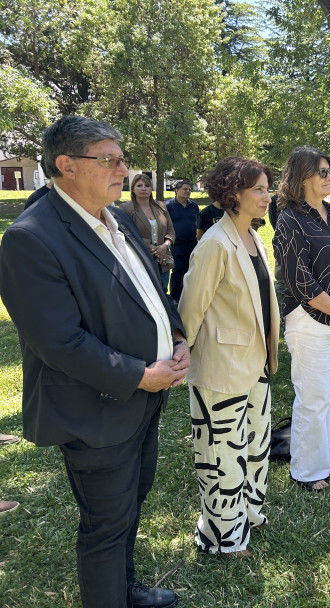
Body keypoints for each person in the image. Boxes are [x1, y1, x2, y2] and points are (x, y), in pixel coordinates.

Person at [0, 116, 188, 608]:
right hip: (97, 410)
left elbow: (150, 286)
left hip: (144, 399)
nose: (123, 170)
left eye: (122, 160)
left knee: (129, 507)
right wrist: (140, 375)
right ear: (66, 166)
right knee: (105, 525)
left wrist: (176, 333)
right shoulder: (31, 238)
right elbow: (59, 342)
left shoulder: (114, 216)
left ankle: (125, 590)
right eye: (109, 160)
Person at [178, 157, 280, 558]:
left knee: (255, 446)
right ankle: (222, 537)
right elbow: (190, 310)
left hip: (257, 364)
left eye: (268, 188)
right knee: (222, 456)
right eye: (259, 189)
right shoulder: (214, 244)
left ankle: (248, 514)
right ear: (233, 193)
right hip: (220, 368)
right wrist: (181, 357)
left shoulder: (254, 238)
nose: (267, 196)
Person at [272, 146, 330, 491]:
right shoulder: (289, 220)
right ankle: (306, 471)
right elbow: (301, 281)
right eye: (322, 172)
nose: (329, 177)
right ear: (302, 177)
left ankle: (324, 460)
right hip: (310, 318)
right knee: (313, 396)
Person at [119, 173, 175, 292]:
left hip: (163, 259)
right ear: (133, 189)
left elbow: (171, 231)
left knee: (163, 293)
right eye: (139, 186)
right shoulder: (126, 208)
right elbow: (126, 234)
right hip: (141, 259)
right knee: (146, 293)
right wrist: (151, 248)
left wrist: (165, 246)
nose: (143, 188)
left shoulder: (161, 206)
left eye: (147, 185)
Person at [166, 179, 199, 302]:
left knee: (191, 270)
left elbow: (197, 223)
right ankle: (175, 298)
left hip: (192, 243)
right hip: (177, 244)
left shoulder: (194, 206)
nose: (188, 191)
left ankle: (188, 297)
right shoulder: (168, 206)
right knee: (178, 270)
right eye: (185, 189)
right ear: (176, 190)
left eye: (189, 189)